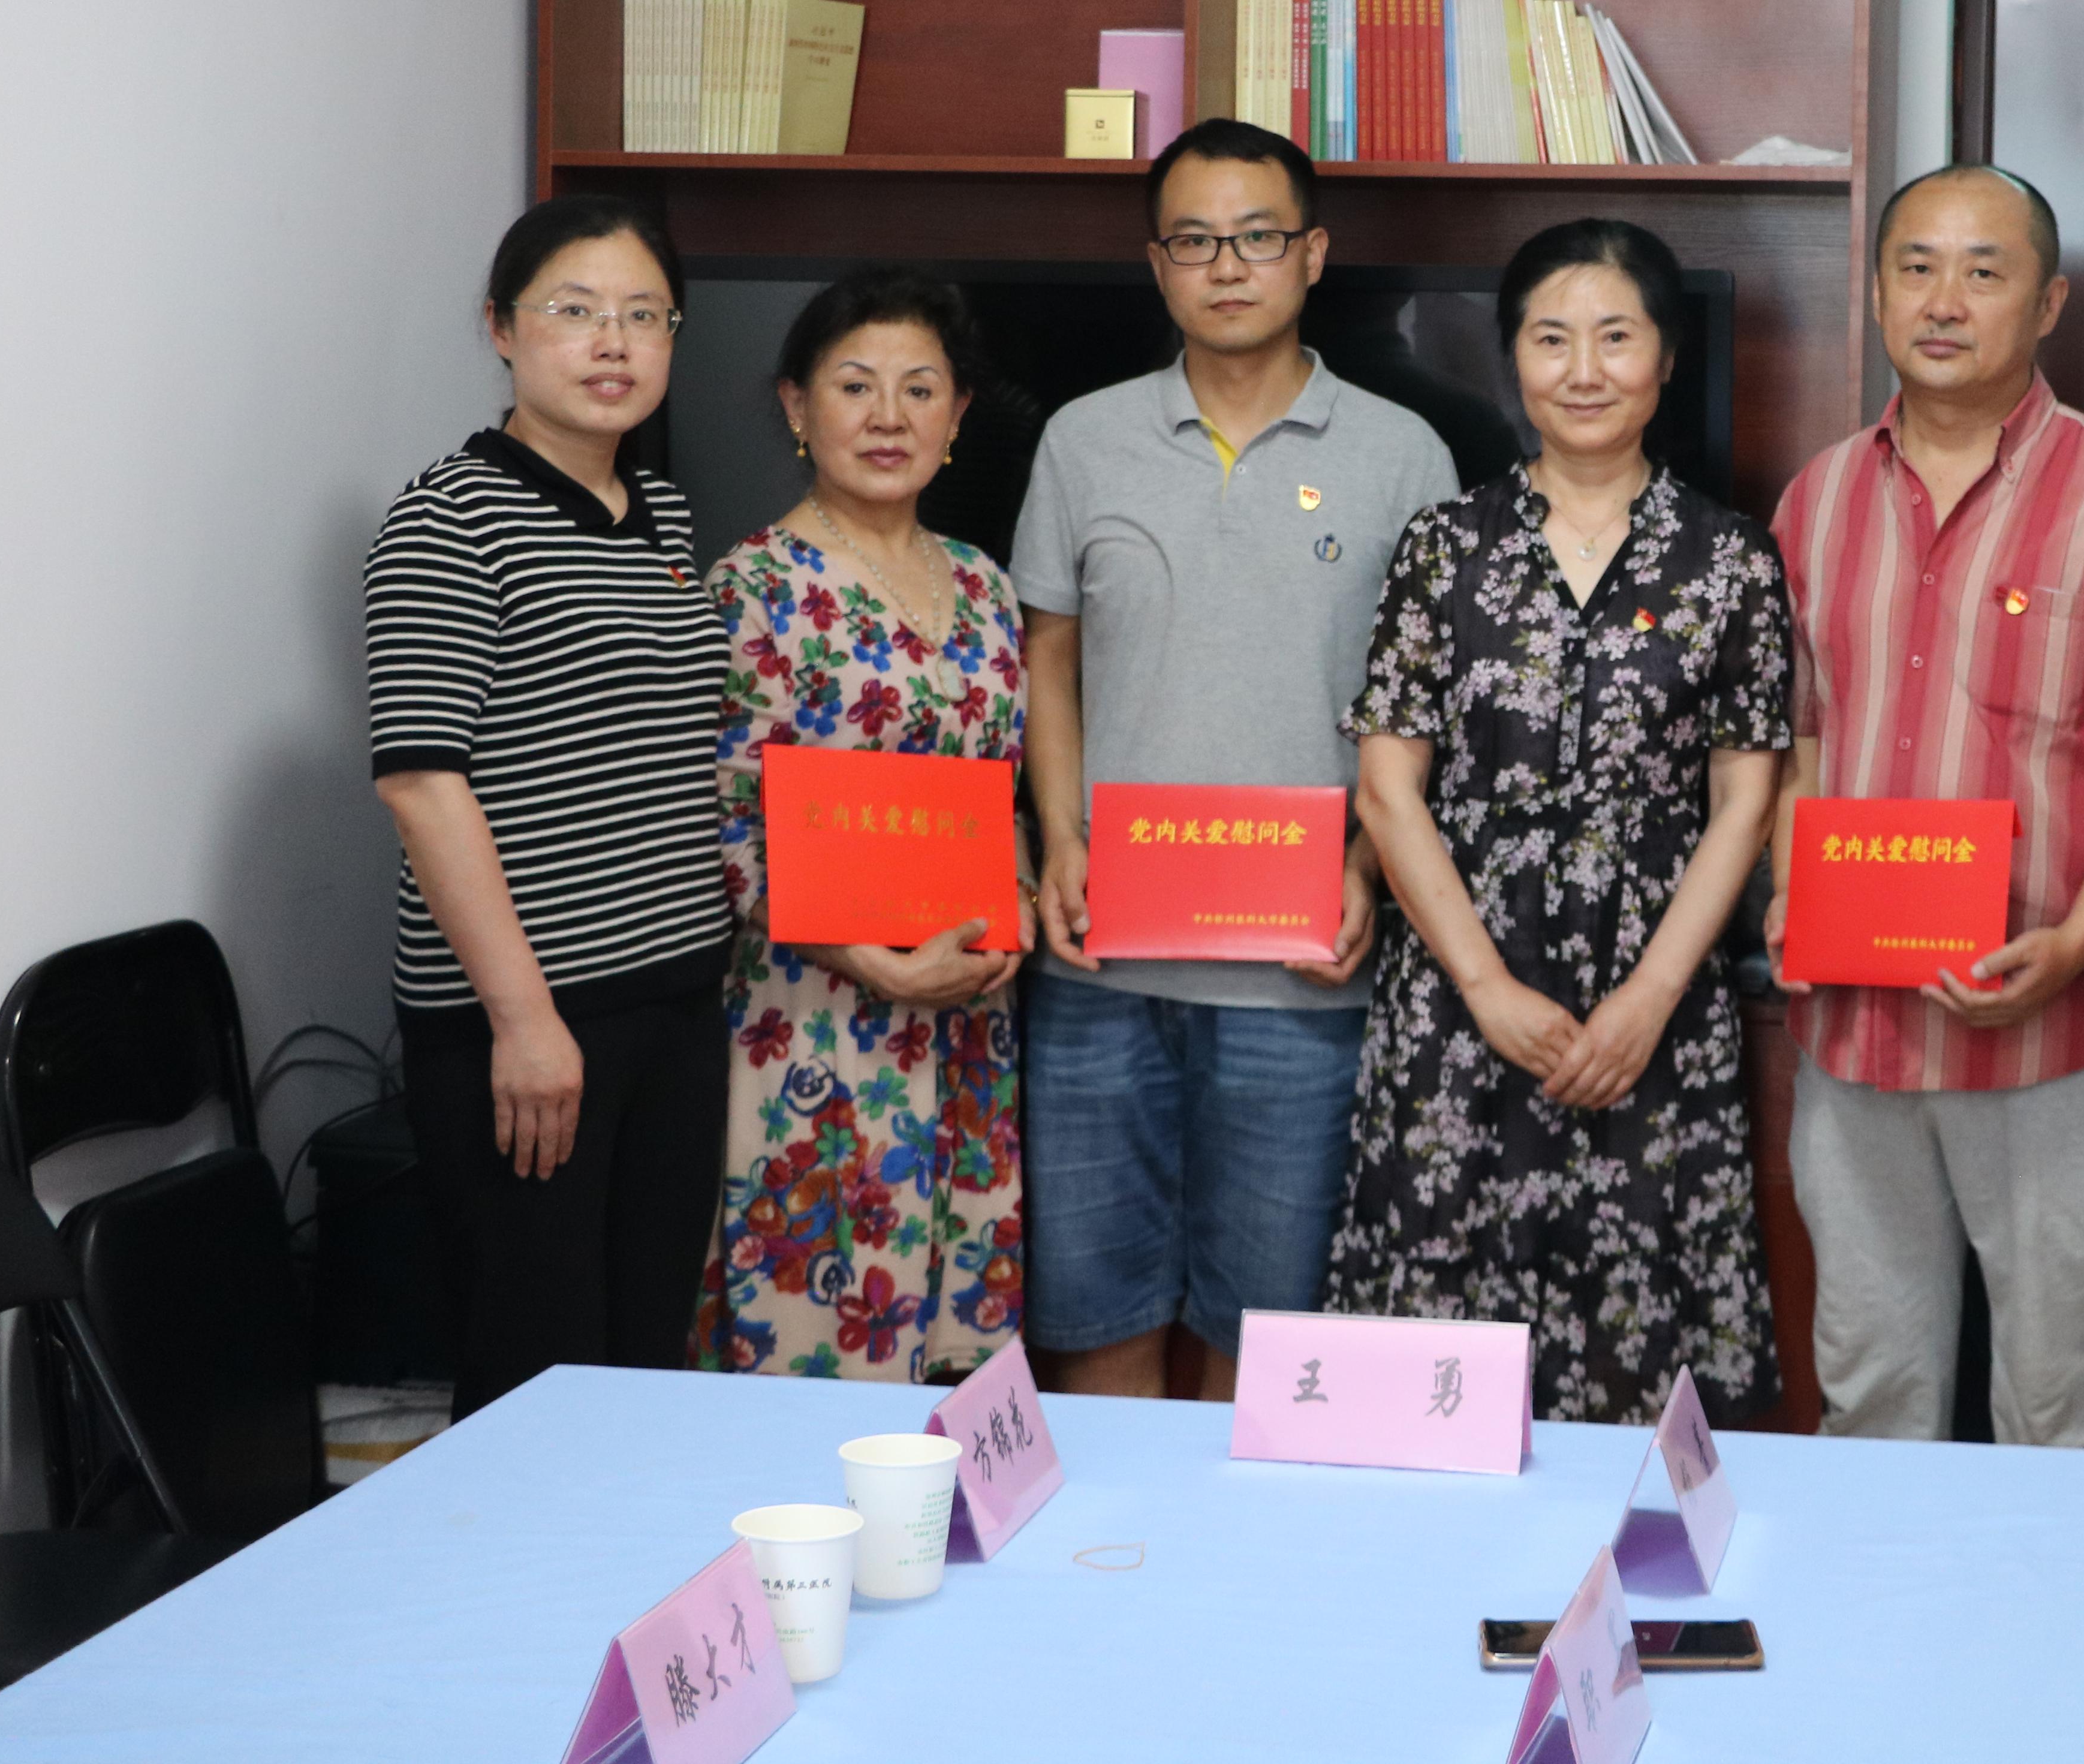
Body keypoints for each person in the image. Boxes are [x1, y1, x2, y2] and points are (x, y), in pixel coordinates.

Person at [1014, 118, 1460, 1398]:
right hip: (1103, 959)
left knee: (1270, 1333)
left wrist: (1368, 866)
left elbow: (1427, 704)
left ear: (1312, 254)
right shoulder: (1083, 438)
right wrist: (1061, 840)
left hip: (1300, 969)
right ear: (1158, 265)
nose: (1227, 266)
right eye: (1195, 240)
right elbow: (1050, 656)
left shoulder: (1404, 453)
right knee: (1093, 1306)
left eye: (1258, 238)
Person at [1767, 163, 2084, 1448]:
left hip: (2045, 1035)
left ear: (2049, 301)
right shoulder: (1817, 496)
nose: (1944, 300)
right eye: (1916, 267)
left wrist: (2078, 942)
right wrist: (1796, 890)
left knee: (2056, 1402)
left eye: (1983, 270)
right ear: (1877, 292)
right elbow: (1803, 732)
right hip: (1853, 1031)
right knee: (1870, 1390)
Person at [1324, 218, 1791, 1423]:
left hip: (1652, 1010)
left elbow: (1744, 799)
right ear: (1514, 358)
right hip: (1459, 1002)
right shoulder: (1444, 547)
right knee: (1437, 1363)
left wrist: (1647, 1002)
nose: (1585, 370)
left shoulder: (1733, 561)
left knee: (1638, 1347)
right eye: (1551, 338)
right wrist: (1485, 990)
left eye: (1616, 337)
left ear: (1666, 359)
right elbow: (1388, 789)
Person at [369, 196, 733, 1418]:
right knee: (537, 1380)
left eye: (644, 314)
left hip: (672, 1002)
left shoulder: (661, 511)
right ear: (501, 328)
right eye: (575, 310)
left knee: (643, 1369)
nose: (612, 342)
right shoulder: (448, 516)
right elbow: (423, 782)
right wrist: (525, 1024)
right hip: (531, 1023)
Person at [694, 270, 1032, 1381]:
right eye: (855, 386)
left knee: (951, 1350)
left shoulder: (983, 586)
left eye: (920, 389)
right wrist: (875, 962)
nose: (889, 417)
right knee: (817, 1322)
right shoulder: (753, 586)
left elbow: (1002, 797)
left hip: (966, 1014)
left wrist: (1015, 904)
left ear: (958, 415)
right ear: (797, 405)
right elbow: (730, 823)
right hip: (817, 1015)